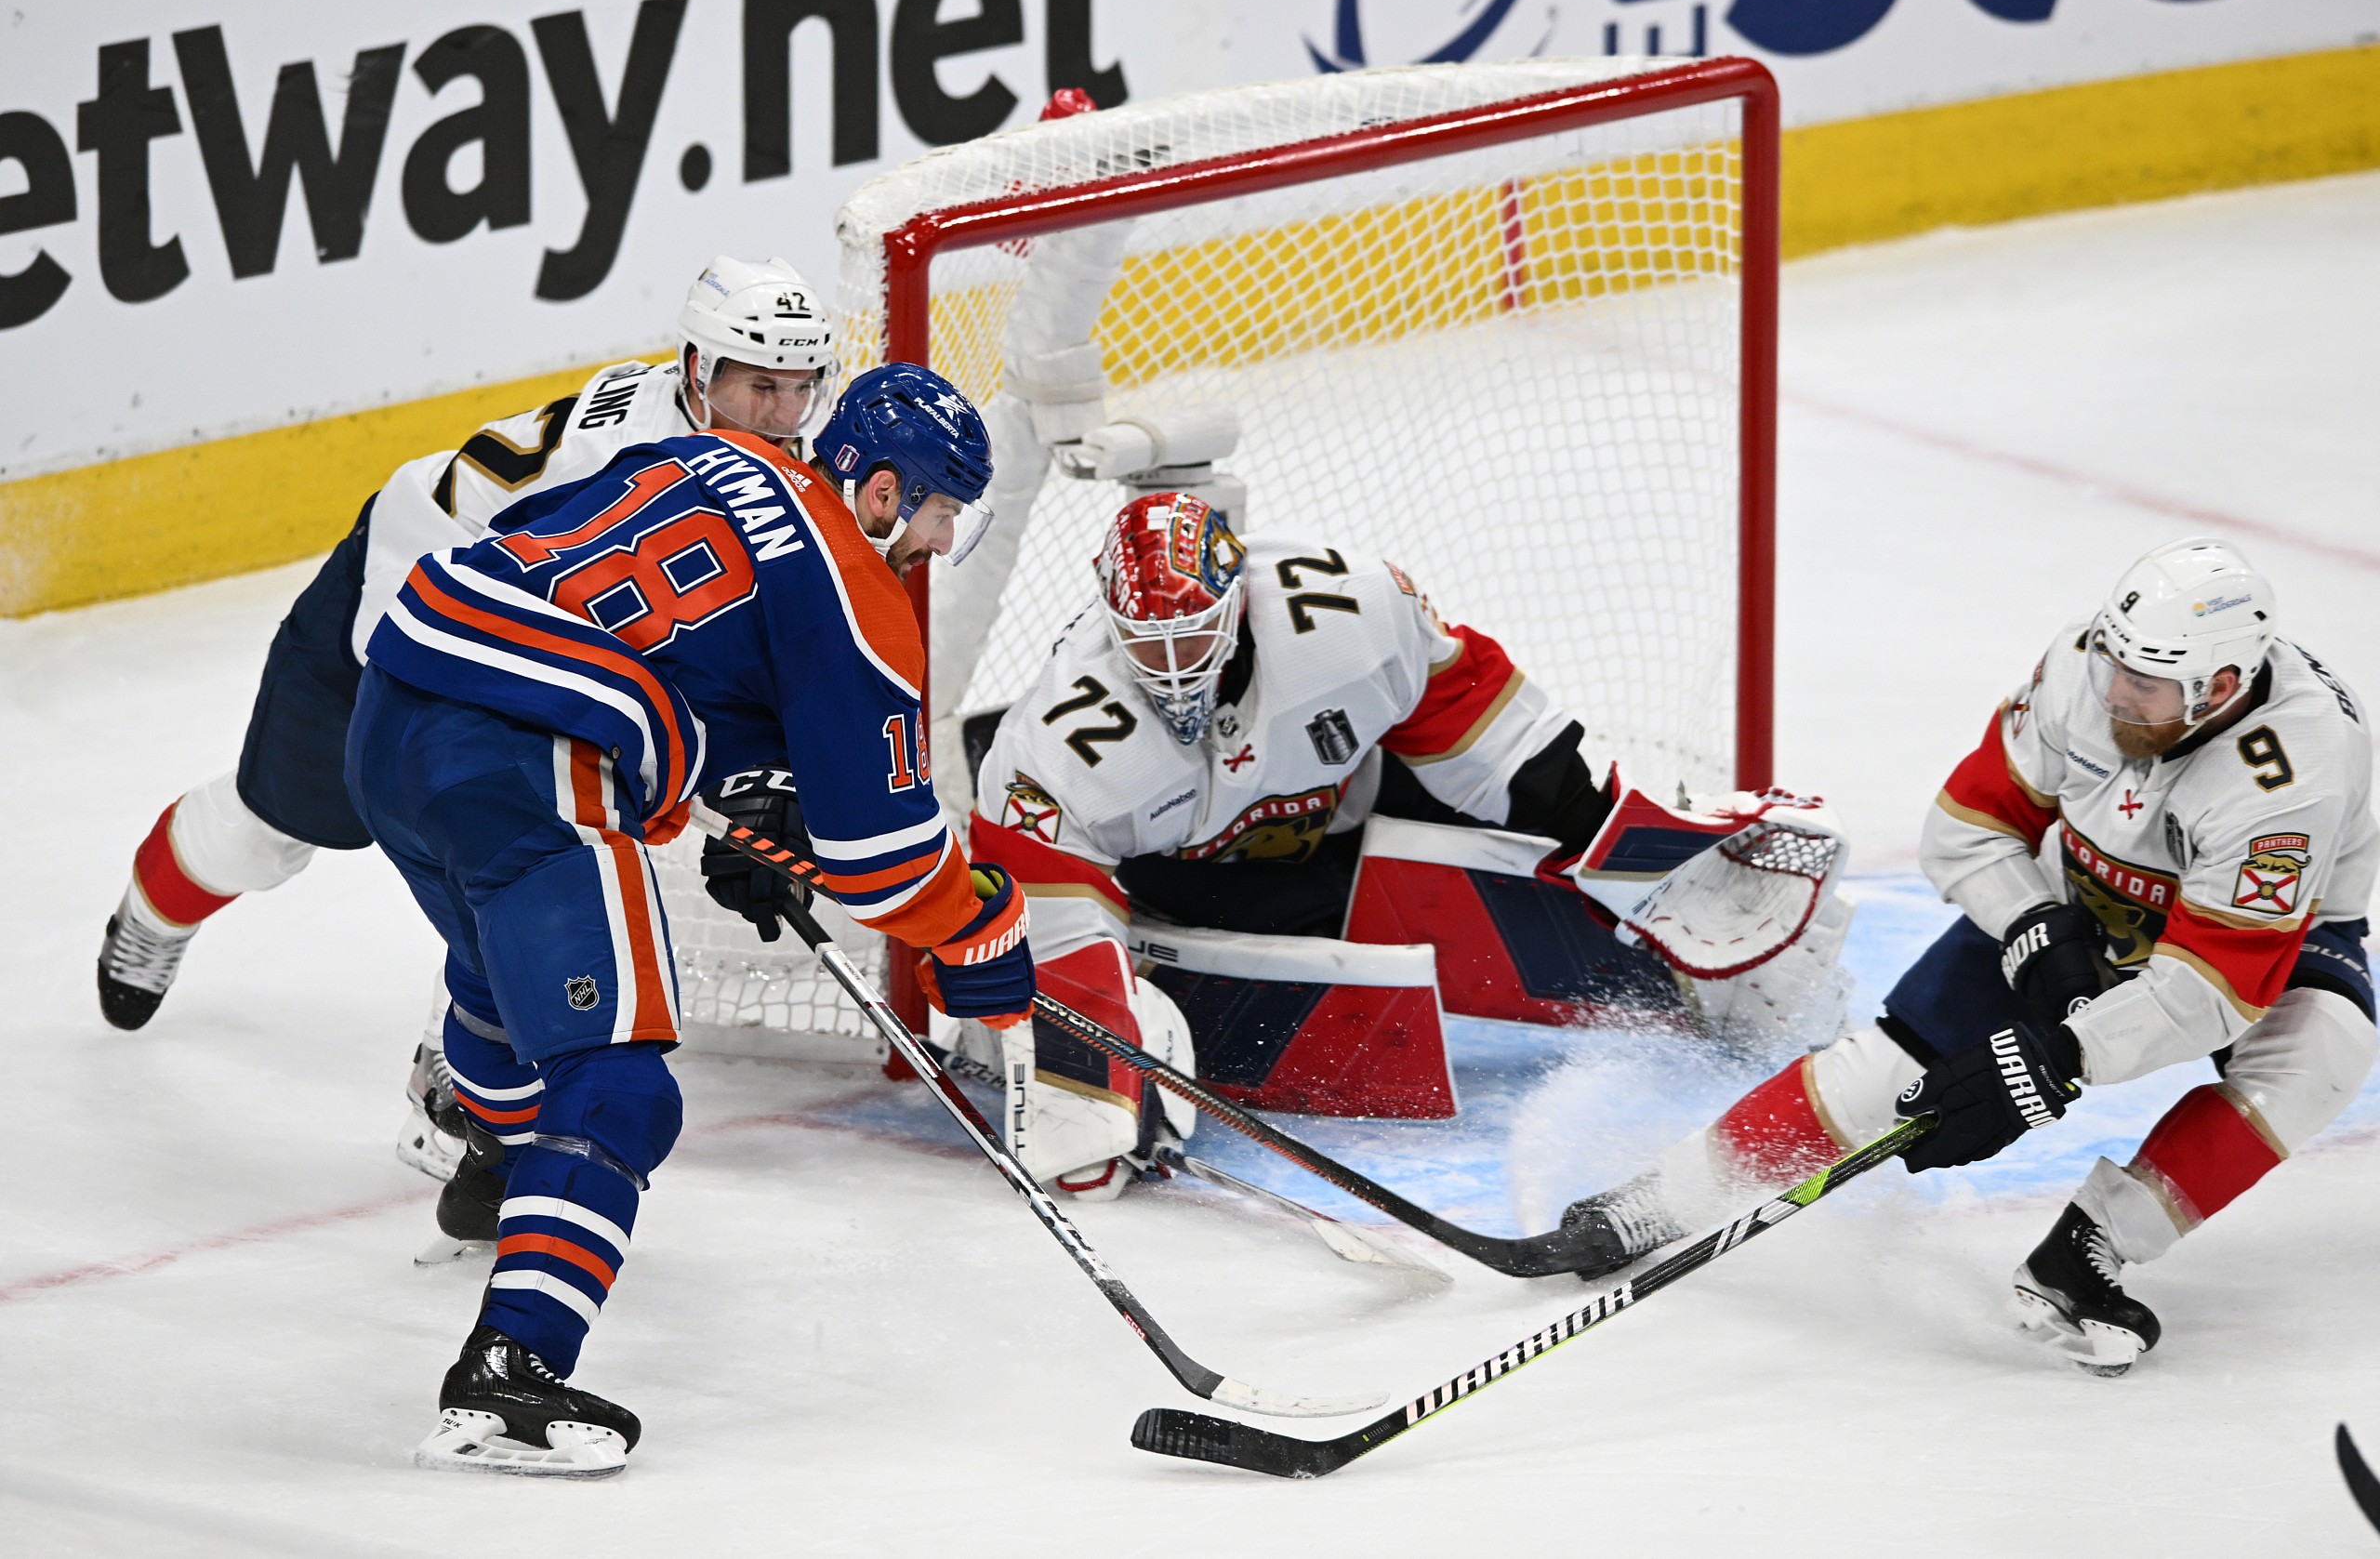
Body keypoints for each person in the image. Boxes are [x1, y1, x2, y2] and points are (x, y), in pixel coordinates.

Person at [353, 363, 1034, 1475]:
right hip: (528, 759)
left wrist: (749, 782)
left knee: (495, 975)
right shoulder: (861, 594)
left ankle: (494, 1155)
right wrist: (979, 934)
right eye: (941, 508)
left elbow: (565, 558)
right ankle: (509, 1375)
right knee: (619, 1083)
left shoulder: (719, 453)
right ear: (879, 492)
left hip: (397, 710)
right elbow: (885, 865)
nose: (939, 541)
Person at [1542, 536, 2376, 1375]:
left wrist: (2057, 1056)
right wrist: (2032, 922)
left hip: (2276, 933)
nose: (2114, 693)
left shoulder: (2289, 780)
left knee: (2322, 1055)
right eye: (2115, 666)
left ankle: (2088, 1251)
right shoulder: (2082, 667)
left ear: (2219, 689)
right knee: (1889, 1067)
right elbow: (1967, 827)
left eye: (2145, 685)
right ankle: (1663, 1197)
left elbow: (2213, 988)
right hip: (2081, 891)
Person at [965, 491, 1844, 1203]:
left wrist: (1626, 842)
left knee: (1512, 850)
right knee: (1371, 971)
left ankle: (1704, 976)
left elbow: (1487, 726)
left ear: (1237, 600)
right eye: (1146, 645)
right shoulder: (1056, 745)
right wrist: (1094, 1064)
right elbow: (1044, 906)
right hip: (1201, 888)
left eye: (1193, 635)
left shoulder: (1348, 608)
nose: (1174, 667)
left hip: (1356, 797)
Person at [96, 256, 837, 1034]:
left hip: (527, 624)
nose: (783, 414)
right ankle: (152, 915)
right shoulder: (619, 457)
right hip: (407, 597)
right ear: (697, 372)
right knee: (270, 832)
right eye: (761, 387)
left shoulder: (757, 449)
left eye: (800, 387)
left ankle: (462, 1073)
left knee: (526, 866)